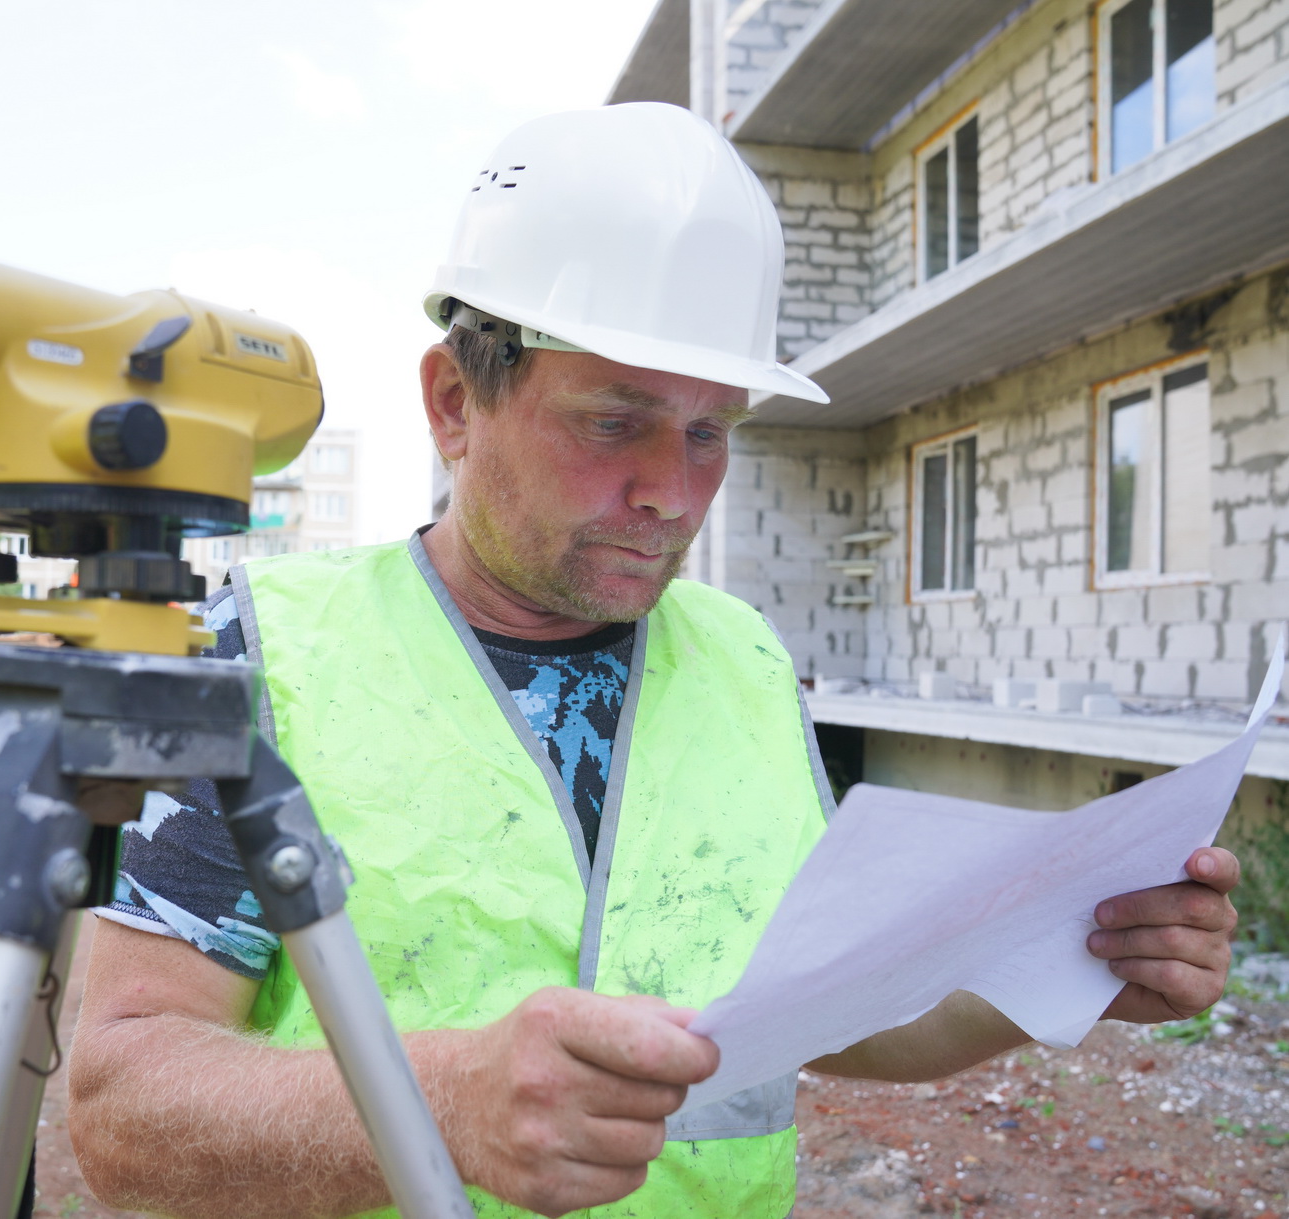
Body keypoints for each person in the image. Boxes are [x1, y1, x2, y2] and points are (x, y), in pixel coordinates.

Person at [63, 103, 1240, 1218]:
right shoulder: (262, 652)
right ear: (454, 401)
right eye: (613, 420)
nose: (671, 495)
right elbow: (121, 1106)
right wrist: (443, 1101)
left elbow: (830, 1019)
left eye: (709, 430)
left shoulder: (743, 662)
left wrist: (1070, 971)